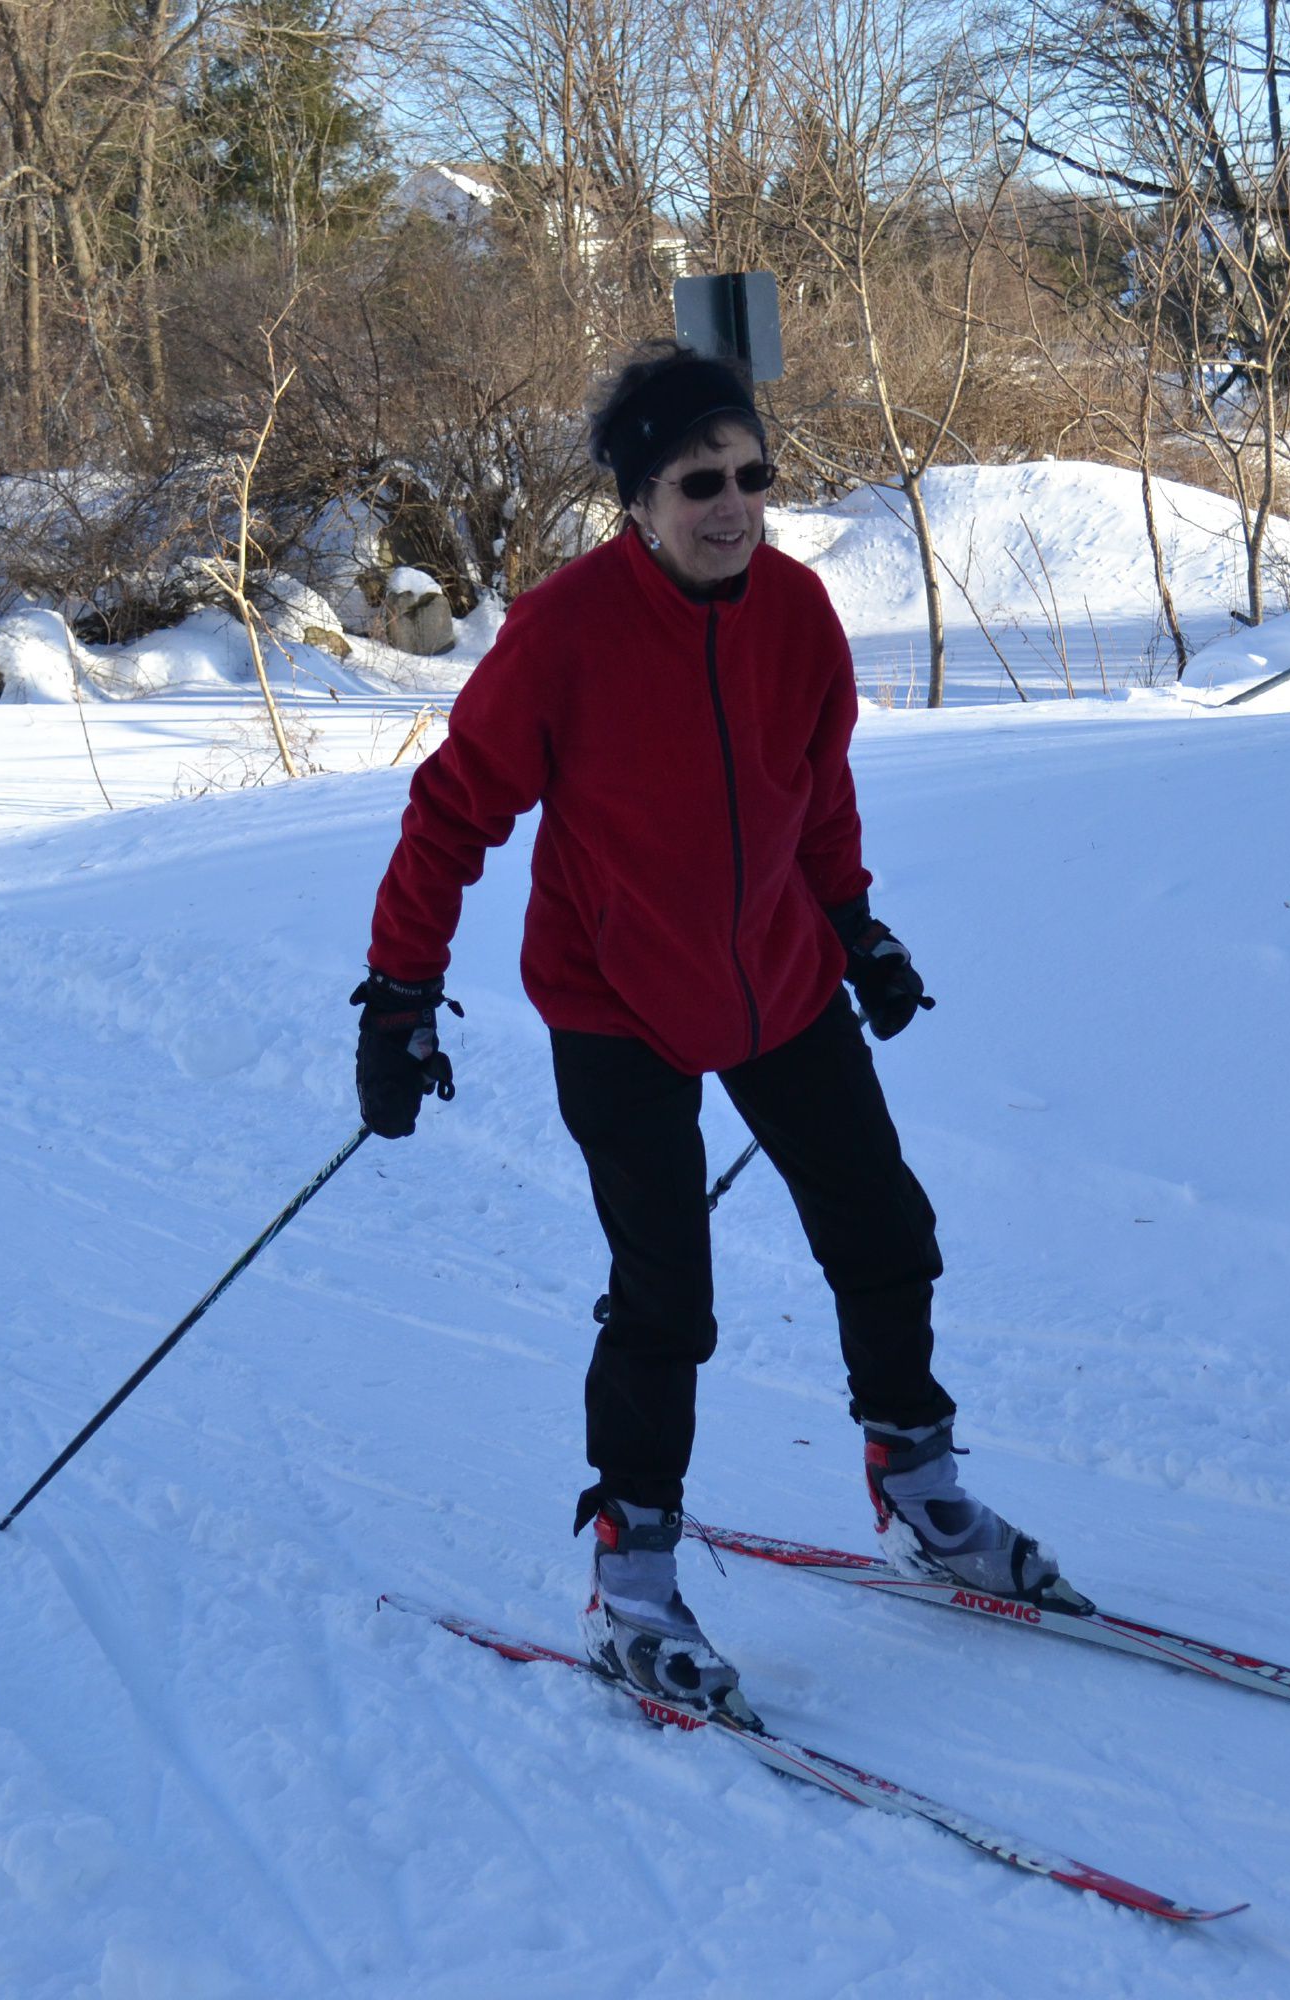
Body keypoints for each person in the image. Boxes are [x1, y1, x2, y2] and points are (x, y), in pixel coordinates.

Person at [350, 343, 1085, 1724]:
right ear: (638, 500)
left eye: (753, 475)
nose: (734, 502)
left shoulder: (798, 614)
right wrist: (400, 996)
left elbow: (816, 789)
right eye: (701, 481)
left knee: (884, 1226)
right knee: (667, 1295)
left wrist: (854, 925)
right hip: (614, 999)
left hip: (778, 977)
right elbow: (452, 813)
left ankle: (916, 1482)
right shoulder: (563, 635)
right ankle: (632, 1577)